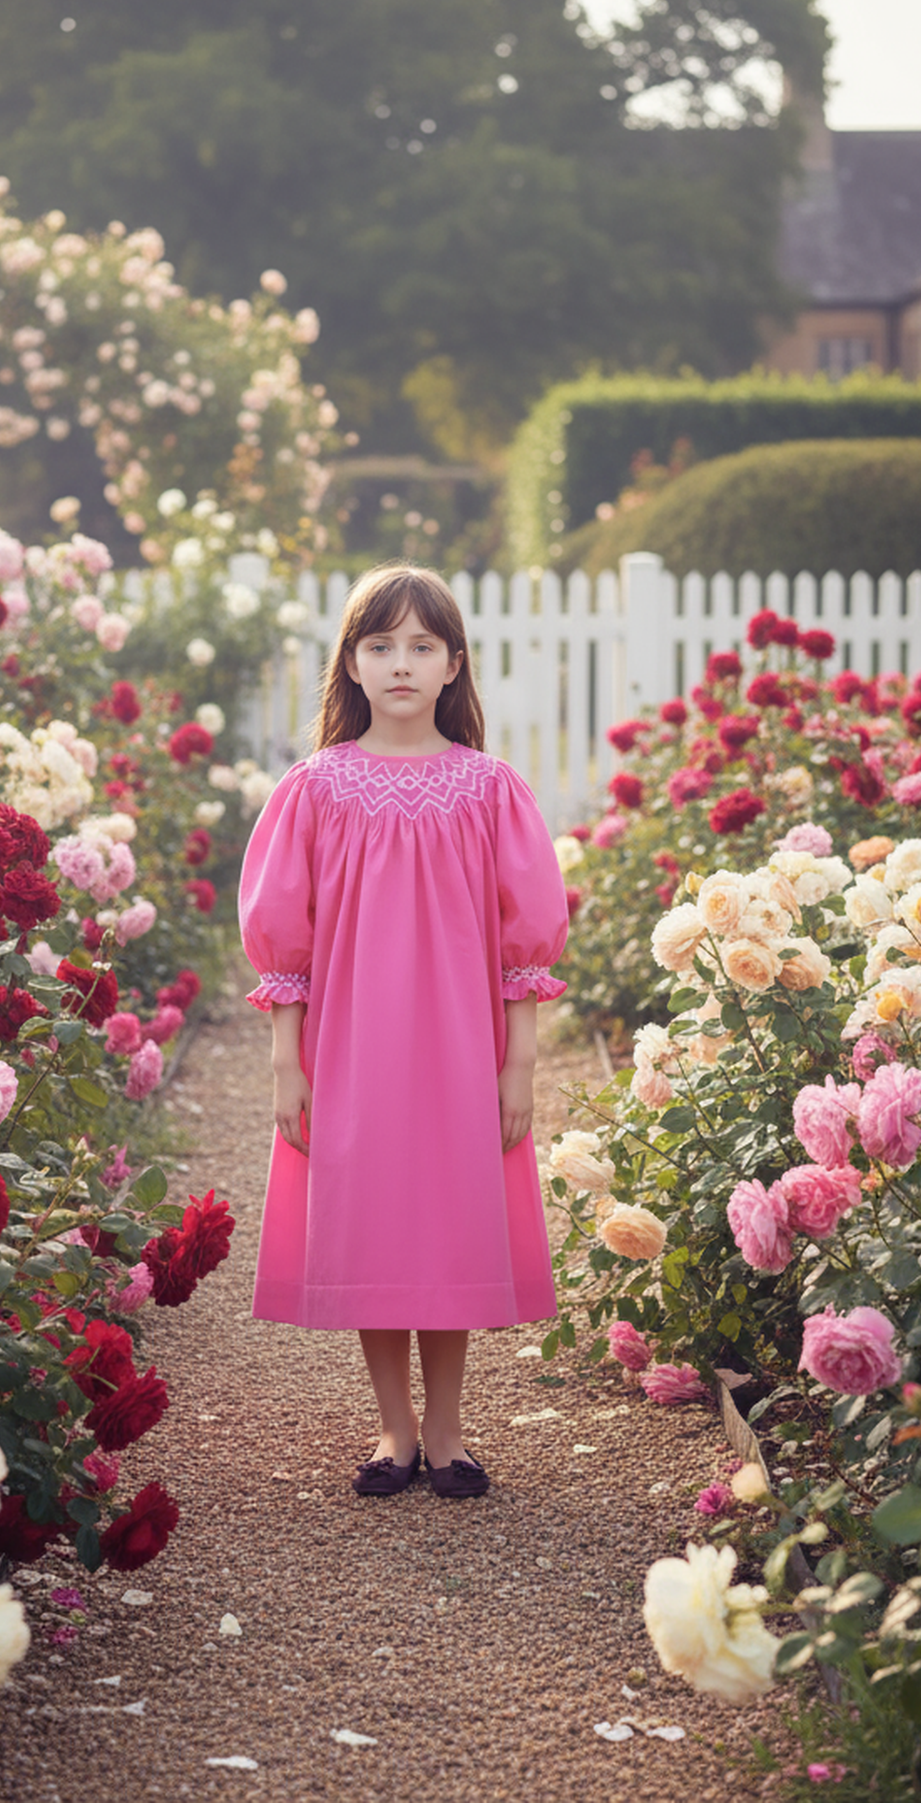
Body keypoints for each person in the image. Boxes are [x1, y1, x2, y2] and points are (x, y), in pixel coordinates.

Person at [238, 563, 569, 1499]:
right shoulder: (315, 788)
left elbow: (524, 932)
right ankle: (394, 1428)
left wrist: (520, 1063)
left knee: (445, 1223)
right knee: (374, 1222)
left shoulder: (488, 788)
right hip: (351, 1043)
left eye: (422, 645)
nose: (400, 663)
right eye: (380, 644)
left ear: (454, 665)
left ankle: (452, 1429)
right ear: (349, 663)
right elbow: (283, 932)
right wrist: (285, 1061)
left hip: (461, 1044)